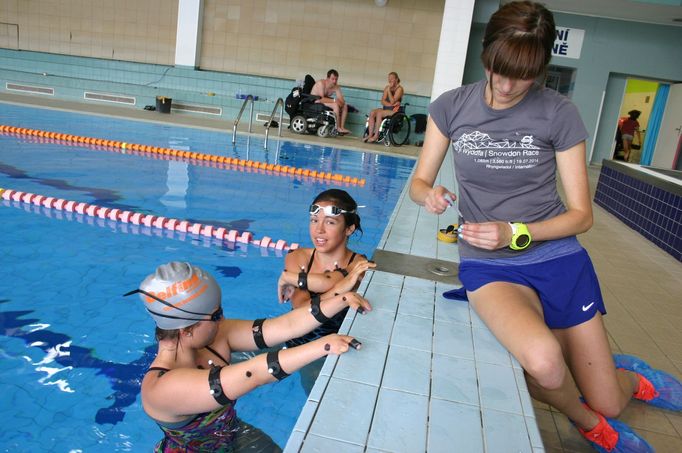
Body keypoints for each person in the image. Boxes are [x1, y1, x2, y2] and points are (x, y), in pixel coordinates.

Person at [409, 2, 680, 452]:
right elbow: (419, 182)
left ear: (540, 68)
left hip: (556, 256)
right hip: (489, 265)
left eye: (523, 75)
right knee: (546, 365)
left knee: (612, 399)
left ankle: (626, 377)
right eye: (499, 70)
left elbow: (582, 215)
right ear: (487, 53)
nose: (508, 86)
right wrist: (430, 195)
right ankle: (589, 422)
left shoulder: (559, 112)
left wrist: (514, 231)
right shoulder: (451, 107)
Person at [126, 261, 370, 452]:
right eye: (216, 315)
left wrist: (341, 299)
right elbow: (253, 374)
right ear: (186, 329)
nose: (222, 319)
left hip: (233, 434)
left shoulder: (214, 336)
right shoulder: (162, 388)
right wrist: (323, 346)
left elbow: (282, 327)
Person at [277, 189, 375, 392]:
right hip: (293, 342)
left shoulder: (358, 264)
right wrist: (342, 288)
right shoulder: (297, 257)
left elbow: (321, 291)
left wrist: (292, 278)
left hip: (331, 349)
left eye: (330, 222)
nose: (318, 230)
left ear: (349, 229)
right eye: (314, 220)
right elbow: (302, 309)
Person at [364, 72, 404, 143]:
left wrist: (388, 90)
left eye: (391, 78)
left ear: (396, 79)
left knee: (379, 113)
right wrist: (391, 104)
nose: (389, 80)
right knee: (373, 112)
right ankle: (370, 135)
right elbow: (382, 101)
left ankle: (376, 135)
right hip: (386, 109)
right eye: (389, 78)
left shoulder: (399, 89)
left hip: (395, 111)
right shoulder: (387, 87)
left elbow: (392, 101)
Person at [311, 69, 352, 135]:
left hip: (324, 100)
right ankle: (337, 128)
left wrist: (341, 103)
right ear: (327, 78)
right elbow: (321, 99)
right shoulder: (321, 83)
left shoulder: (336, 87)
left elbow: (342, 101)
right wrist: (335, 100)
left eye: (336, 79)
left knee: (345, 106)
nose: (334, 81)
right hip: (315, 100)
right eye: (332, 79)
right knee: (335, 105)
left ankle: (342, 127)